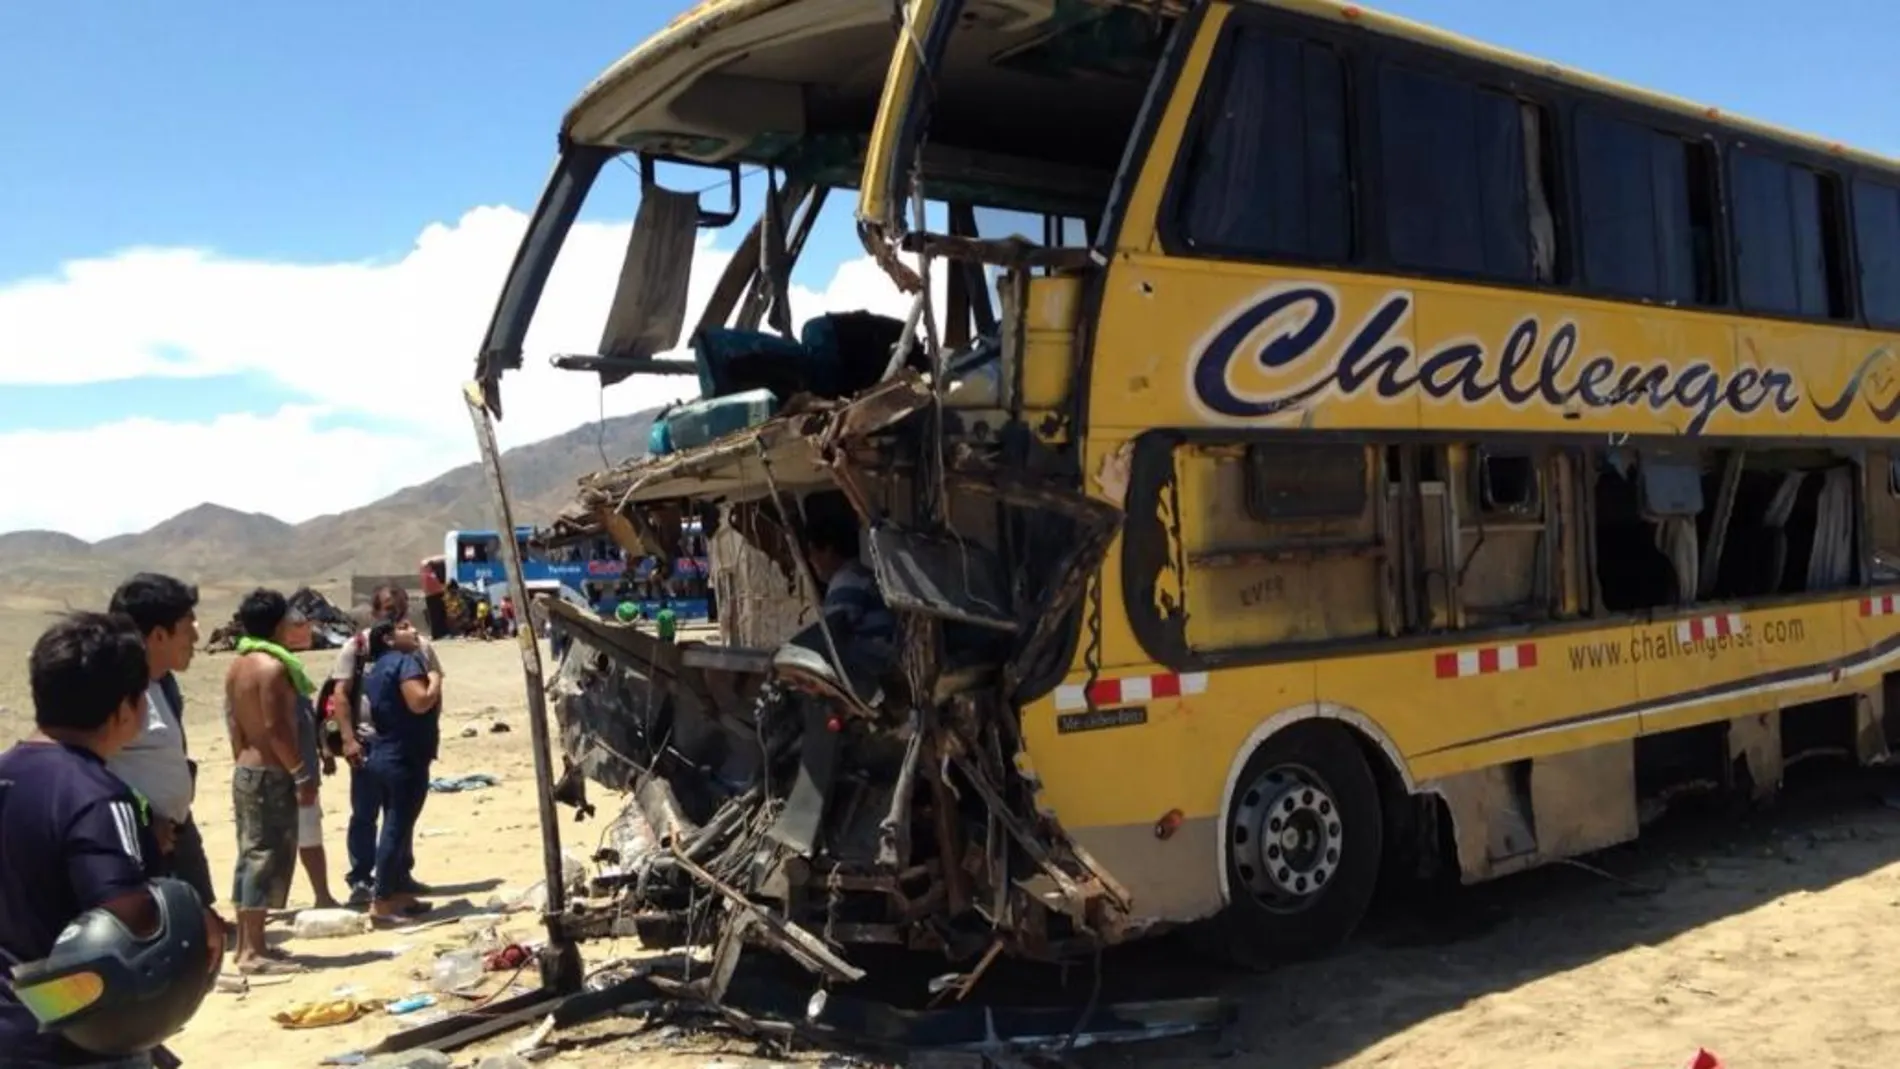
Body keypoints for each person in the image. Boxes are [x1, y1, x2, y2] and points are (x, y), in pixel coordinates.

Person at [1, 613, 224, 1067]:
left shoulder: (7, 771)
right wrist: (196, 922)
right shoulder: (98, 796)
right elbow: (131, 919)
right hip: (69, 1038)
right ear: (125, 708)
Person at [103, 574, 223, 931]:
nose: (197, 638)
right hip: (138, 845)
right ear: (158, 635)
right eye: (188, 628)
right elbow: (90, 770)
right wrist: (142, 819)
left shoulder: (163, 684)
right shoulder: (114, 691)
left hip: (176, 831)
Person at [327, 584, 444, 906]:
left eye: (400, 608)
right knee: (366, 814)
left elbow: (433, 688)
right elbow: (340, 693)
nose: (395, 615)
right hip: (367, 742)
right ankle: (363, 879)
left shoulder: (419, 646)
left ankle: (398, 876)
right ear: (375, 612)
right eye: (388, 609)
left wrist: (430, 735)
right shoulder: (359, 646)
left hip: (409, 745)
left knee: (401, 816)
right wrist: (348, 739)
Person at [223, 589, 313, 975]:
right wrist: (300, 772)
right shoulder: (273, 669)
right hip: (270, 772)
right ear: (279, 624)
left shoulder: (238, 665)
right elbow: (277, 728)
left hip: (246, 768)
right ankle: (253, 952)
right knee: (263, 858)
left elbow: (234, 722)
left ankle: (247, 944)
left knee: (249, 856)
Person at [359, 619, 442, 922]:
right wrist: (435, 679)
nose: (413, 628)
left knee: (396, 825)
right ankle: (381, 900)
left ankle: (395, 893)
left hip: (384, 752)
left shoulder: (377, 667)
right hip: (403, 756)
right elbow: (419, 701)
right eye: (403, 627)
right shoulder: (405, 663)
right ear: (389, 639)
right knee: (395, 827)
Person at [282, 613, 339, 909]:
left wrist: (324, 750)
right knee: (288, 840)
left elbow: (310, 717)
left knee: (309, 834)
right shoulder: (276, 672)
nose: (309, 631)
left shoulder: (294, 670)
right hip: (290, 774)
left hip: (305, 769)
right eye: (301, 627)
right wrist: (298, 775)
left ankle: (322, 895)